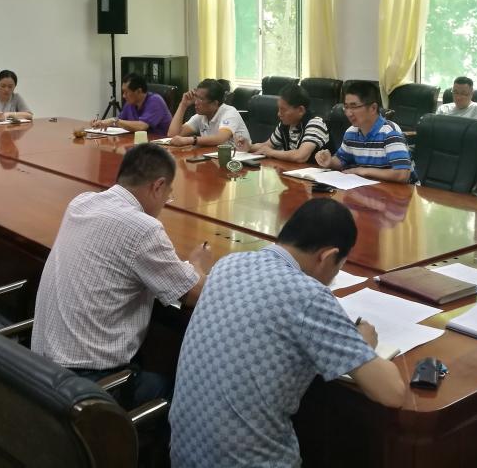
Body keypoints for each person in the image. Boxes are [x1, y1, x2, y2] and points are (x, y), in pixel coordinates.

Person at [169, 198, 406, 467]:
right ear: (327, 256)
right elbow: (392, 393)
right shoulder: (309, 296)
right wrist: (361, 344)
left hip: (183, 456)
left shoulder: (229, 264)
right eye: (337, 269)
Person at [32, 143, 213, 405]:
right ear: (158, 186)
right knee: (190, 396)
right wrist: (198, 263)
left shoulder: (81, 203)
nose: (166, 203)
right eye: (168, 195)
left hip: (40, 369)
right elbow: (194, 293)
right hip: (91, 384)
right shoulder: (143, 229)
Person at [314, 81, 416, 183]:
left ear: (373, 108)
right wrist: (329, 161)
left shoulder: (390, 132)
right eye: (346, 107)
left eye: (354, 107)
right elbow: (342, 160)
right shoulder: (351, 132)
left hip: (402, 191)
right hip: (369, 187)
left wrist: (362, 171)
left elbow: (402, 174)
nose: (348, 113)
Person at [249, 84, 329, 163]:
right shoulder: (285, 125)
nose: (279, 114)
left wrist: (271, 152)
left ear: (300, 110)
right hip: (294, 169)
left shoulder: (316, 123)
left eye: (283, 110)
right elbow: (266, 146)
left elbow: (301, 156)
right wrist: (248, 146)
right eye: (279, 109)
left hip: (317, 170)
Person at [167, 78, 250, 148]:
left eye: (201, 99)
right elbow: (173, 135)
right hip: (213, 156)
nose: (196, 102)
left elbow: (220, 138)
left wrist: (191, 140)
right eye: (196, 97)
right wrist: (183, 105)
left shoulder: (230, 113)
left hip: (238, 158)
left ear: (215, 103)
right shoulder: (200, 116)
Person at [90, 73, 172, 135]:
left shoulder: (155, 101)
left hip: (159, 147)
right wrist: (101, 123)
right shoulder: (130, 104)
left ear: (139, 91)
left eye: (126, 92)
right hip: (138, 143)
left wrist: (114, 121)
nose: (123, 96)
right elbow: (120, 122)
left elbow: (141, 127)